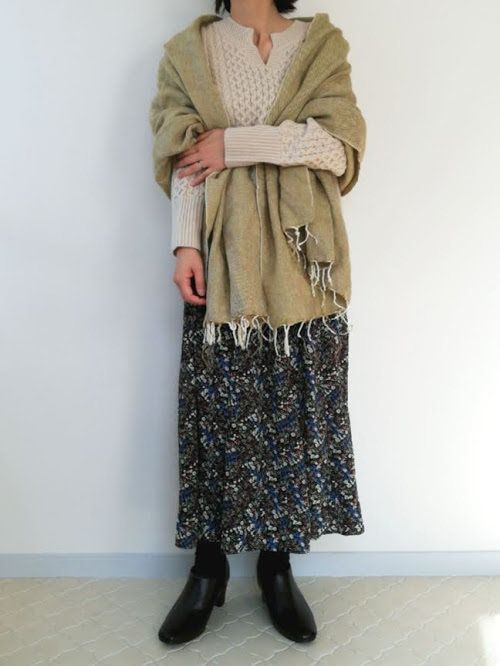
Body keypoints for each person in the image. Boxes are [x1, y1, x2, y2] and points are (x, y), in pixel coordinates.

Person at [149, 0, 366, 645]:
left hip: (303, 266)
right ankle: (208, 568)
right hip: (223, 261)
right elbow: (187, 156)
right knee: (217, 414)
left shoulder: (321, 46)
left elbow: (338, 149)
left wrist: (235, 144)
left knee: (293, 416)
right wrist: (184, 244)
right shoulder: (189, 51)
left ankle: (277, 566)